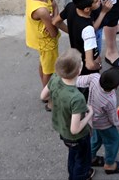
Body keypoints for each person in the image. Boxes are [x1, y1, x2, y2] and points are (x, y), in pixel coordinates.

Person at [49, 50, 95, 180]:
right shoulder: (77, 98)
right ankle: (80, 176)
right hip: (78, 137)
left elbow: (43, 95)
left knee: (73, 154)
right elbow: (75, 129)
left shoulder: (55, 78)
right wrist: (89, 113)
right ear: (79, 70)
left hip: (63, 131)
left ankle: (72, 174)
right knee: (82, 160)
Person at [24, 0, 66, 111]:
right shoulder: (41, 10)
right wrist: (55, 8)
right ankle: (49, 98)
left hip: (38, 38)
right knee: (50, 71)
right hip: (47, 43)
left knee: (44, 65)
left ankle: (45, 91)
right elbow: (53, 31)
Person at [76, 67, 119, 175]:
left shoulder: (95, 77)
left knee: (96, 139)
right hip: (105, 124)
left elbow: (78, 80)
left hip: (92, 119)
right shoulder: (110, 99)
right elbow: (112, 117)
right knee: (113, 141)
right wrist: (118, 124)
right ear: (116, 86)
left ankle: (91, 157)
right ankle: (110, 165)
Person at [60, 0, 104, 76]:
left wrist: (72, 32)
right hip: (86, 72)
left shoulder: (71, 6)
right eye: (96, 1)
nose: (99, 0)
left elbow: (56, 22)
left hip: (76, 58)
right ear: (87, 9)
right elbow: (89, 65)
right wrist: (98, 65)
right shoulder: (88, 30)